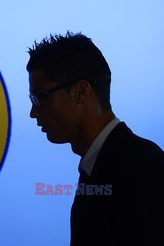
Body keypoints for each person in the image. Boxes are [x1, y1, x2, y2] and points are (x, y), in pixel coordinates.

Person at [26, 32, 164, 245]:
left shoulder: (141, 167)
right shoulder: (105, 165)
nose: (33, 112)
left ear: (80, 91)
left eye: (41, 96)